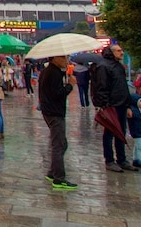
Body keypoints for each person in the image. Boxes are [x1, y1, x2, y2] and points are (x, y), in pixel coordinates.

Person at [91, 44, 137, 172]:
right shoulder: (104, 66)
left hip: (122, 104)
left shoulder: (119, 66)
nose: (122, 53)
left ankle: (122, 159)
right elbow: (101, 87)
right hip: (111, 106)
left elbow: (122, 86)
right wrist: (103, 105)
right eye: (118, 50)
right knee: (109, 133)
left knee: (121, 132)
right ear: (111, 52)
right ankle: (109, 160)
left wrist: (127, 105)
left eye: (122, 50)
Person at [38, 55, 78, 189]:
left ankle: (52, 171)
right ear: (55, 58)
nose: (66, 61)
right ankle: (59, 178)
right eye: (63, 58)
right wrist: (70, 86)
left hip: (50, 110)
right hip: (54, 112)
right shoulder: (53, 73)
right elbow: (58, 93)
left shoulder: (50, 71)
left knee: (61, 143)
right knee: (59, 145)